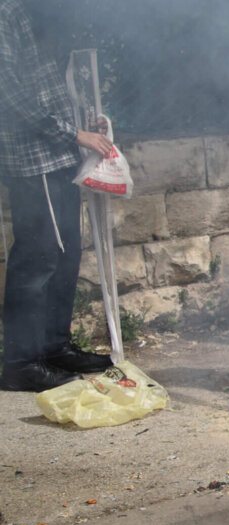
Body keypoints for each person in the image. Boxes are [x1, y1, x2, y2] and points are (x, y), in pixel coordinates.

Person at [0, 0, 117, 391]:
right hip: (34, 161)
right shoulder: (9, 12)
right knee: (38, 257)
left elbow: (50, 86)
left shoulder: (43, 11)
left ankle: (53, 347)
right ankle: (20, 362)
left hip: (60, 154)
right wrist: (70, 133)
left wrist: (84, 122)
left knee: (66, 253)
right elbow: (9, 89)